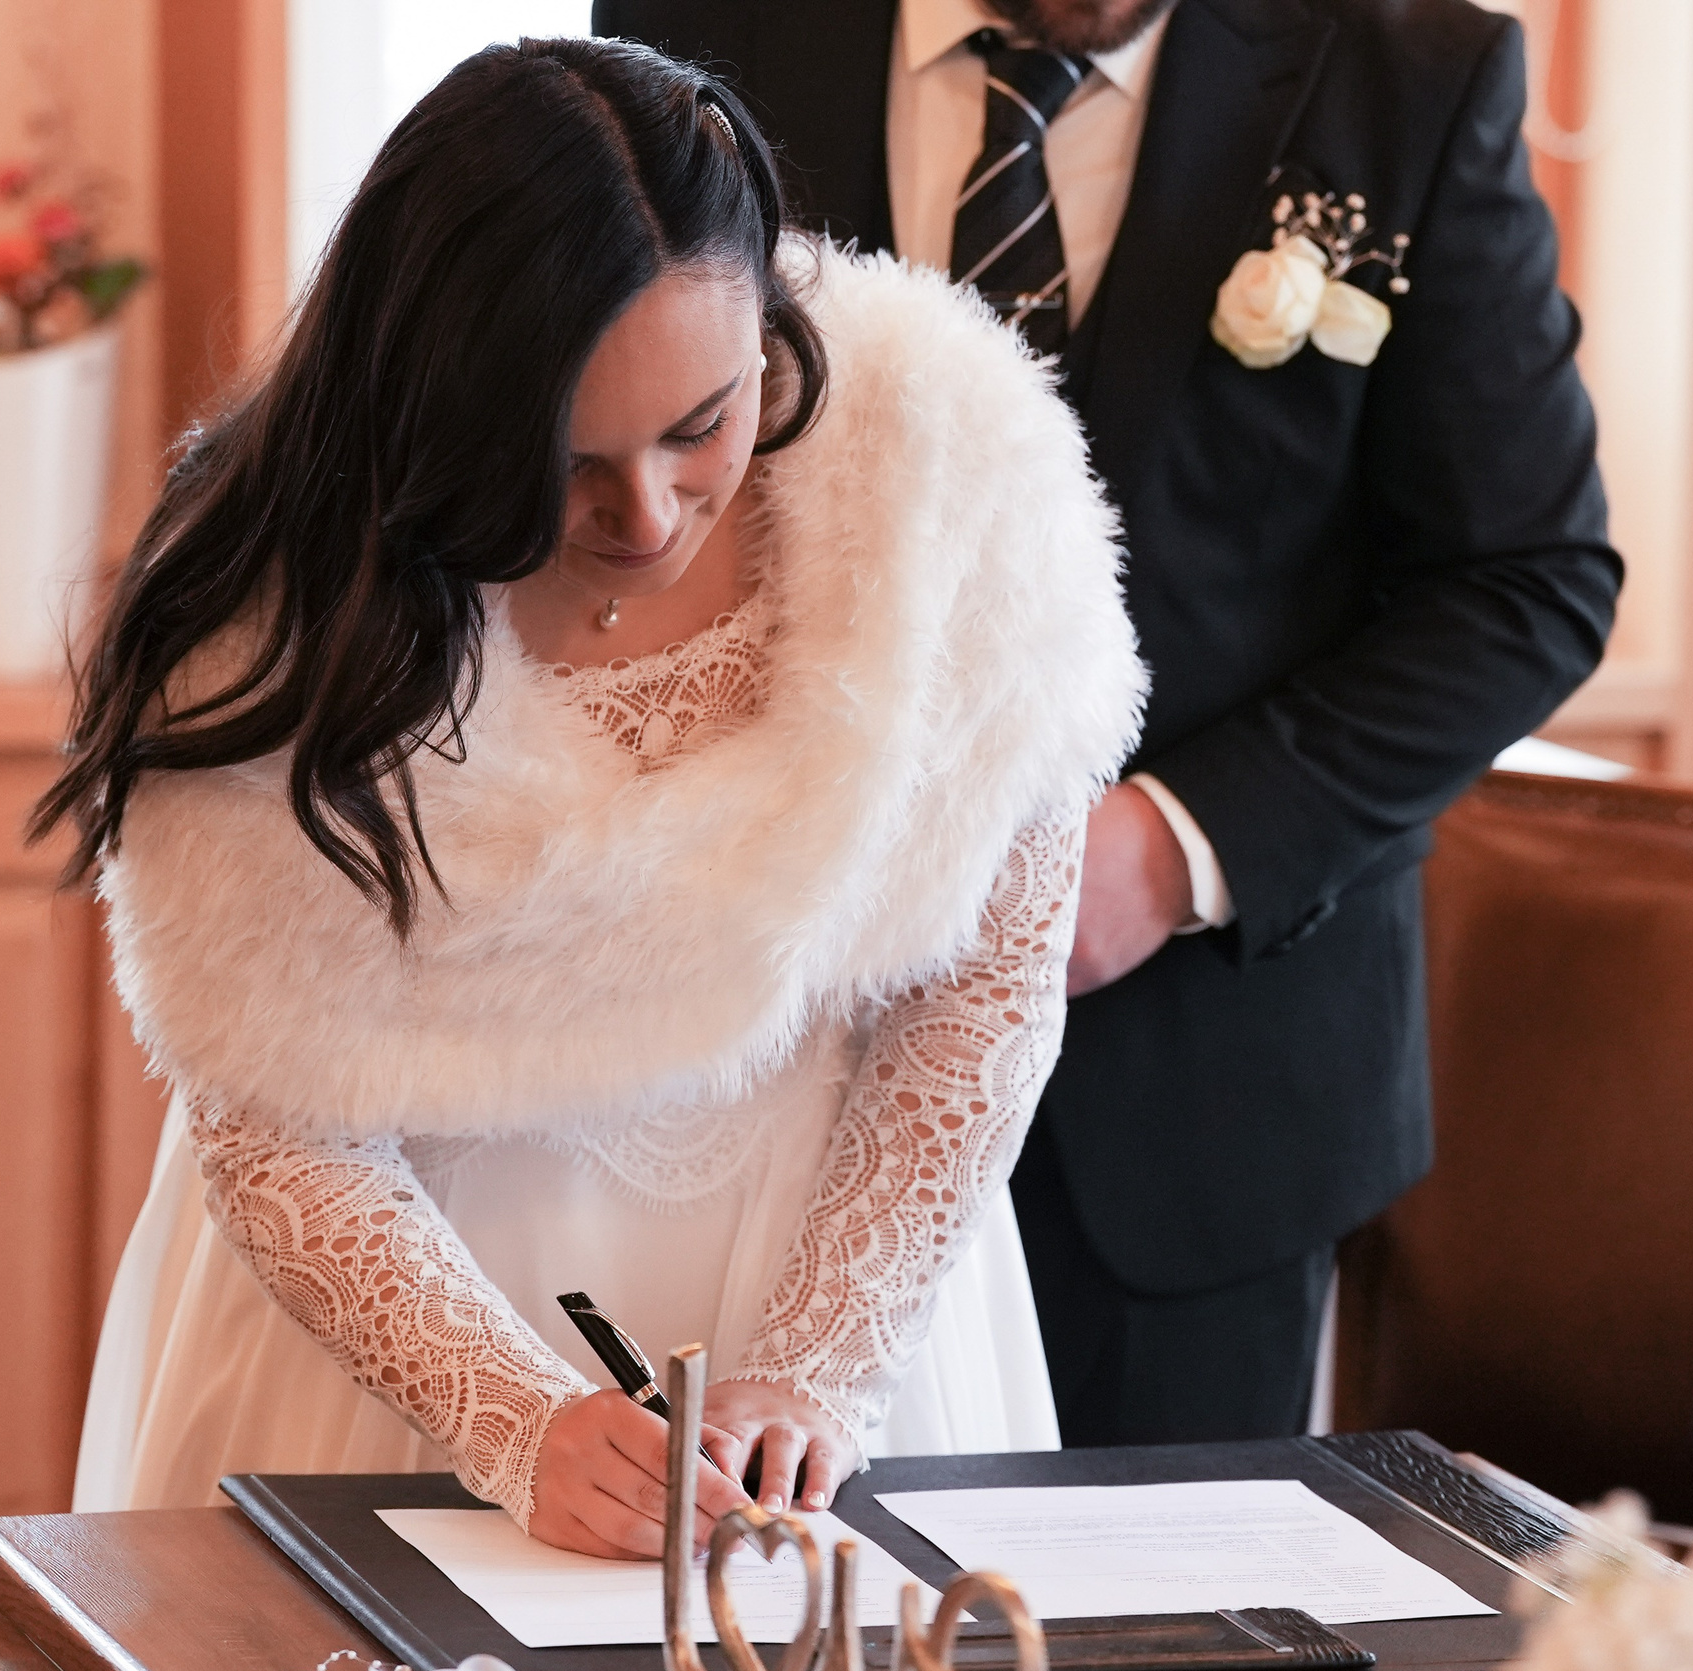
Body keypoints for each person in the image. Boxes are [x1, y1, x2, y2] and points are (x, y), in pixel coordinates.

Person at [44, 37, 1143, 1556]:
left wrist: (823, 1358)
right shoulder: (285, 584)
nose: (647, 515)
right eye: (564, 463)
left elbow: (983, 986)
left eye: (703, 423)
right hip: (398, 1323)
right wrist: (507, 1412)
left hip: (830, 1283)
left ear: (767, 318)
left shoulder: (946, 470)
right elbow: (272, 1108)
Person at [594, 0, 1623, 1444]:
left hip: (1188, 1108)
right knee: (715, 1635)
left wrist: (1173, 846)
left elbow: (1529, 579)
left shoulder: (1406, 73)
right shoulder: (695, 24)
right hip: (734, 1067)